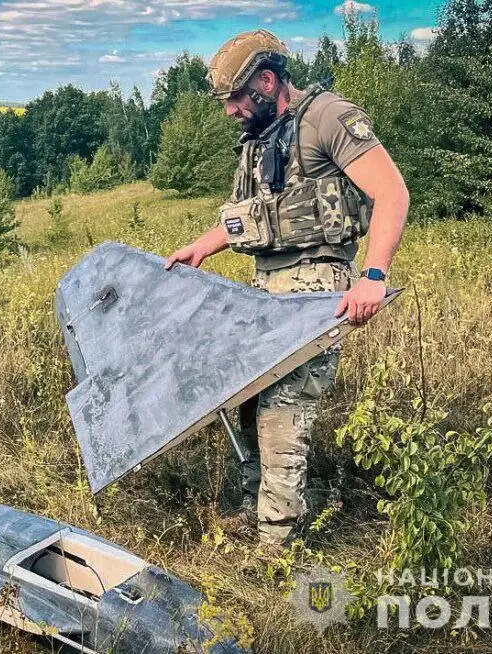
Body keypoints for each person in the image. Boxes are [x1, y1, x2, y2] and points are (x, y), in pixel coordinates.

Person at [164, 29, 409, 545]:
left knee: (281, 412)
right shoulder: (258, 139)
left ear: (266, 81)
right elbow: (253, 218)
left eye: (234, 98)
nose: (229, 110)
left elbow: (392, 193)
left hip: (317, 291)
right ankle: (256, 509)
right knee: (247, 404)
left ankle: (277, 547)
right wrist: (202, 246)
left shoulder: (328, 118)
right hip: (266, 291)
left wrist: (373, 275)